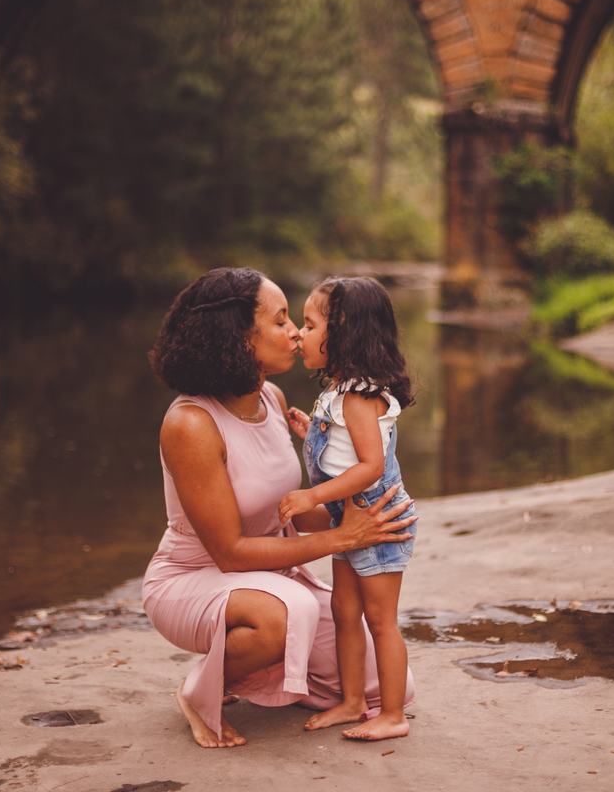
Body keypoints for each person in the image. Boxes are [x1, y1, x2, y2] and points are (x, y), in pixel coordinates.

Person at [142, 267, 416, 749]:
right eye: (281, 320)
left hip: (273, 575)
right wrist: (341, 539)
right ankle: (203, 687)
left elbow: (291, 512)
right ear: (239, 338)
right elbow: (229, 554)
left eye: (299, 321)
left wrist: (365, 519)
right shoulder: (190, 424)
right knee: (288, 614)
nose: (294, 332)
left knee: (386, 687)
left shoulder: (271, 397)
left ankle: (262, 666)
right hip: (195, 578)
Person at [278, 276, 417, 741]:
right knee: (343, 611)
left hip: (375, 522)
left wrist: (312, 495)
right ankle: (353, 700)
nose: (299, 334)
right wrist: (310, 434)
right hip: (349, 520)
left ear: (343, 335)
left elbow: (373, 466)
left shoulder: (359, 395)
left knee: (380, 620)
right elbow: (348, 452)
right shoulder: (338, 392)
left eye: (309, 324)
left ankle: (393, 714)